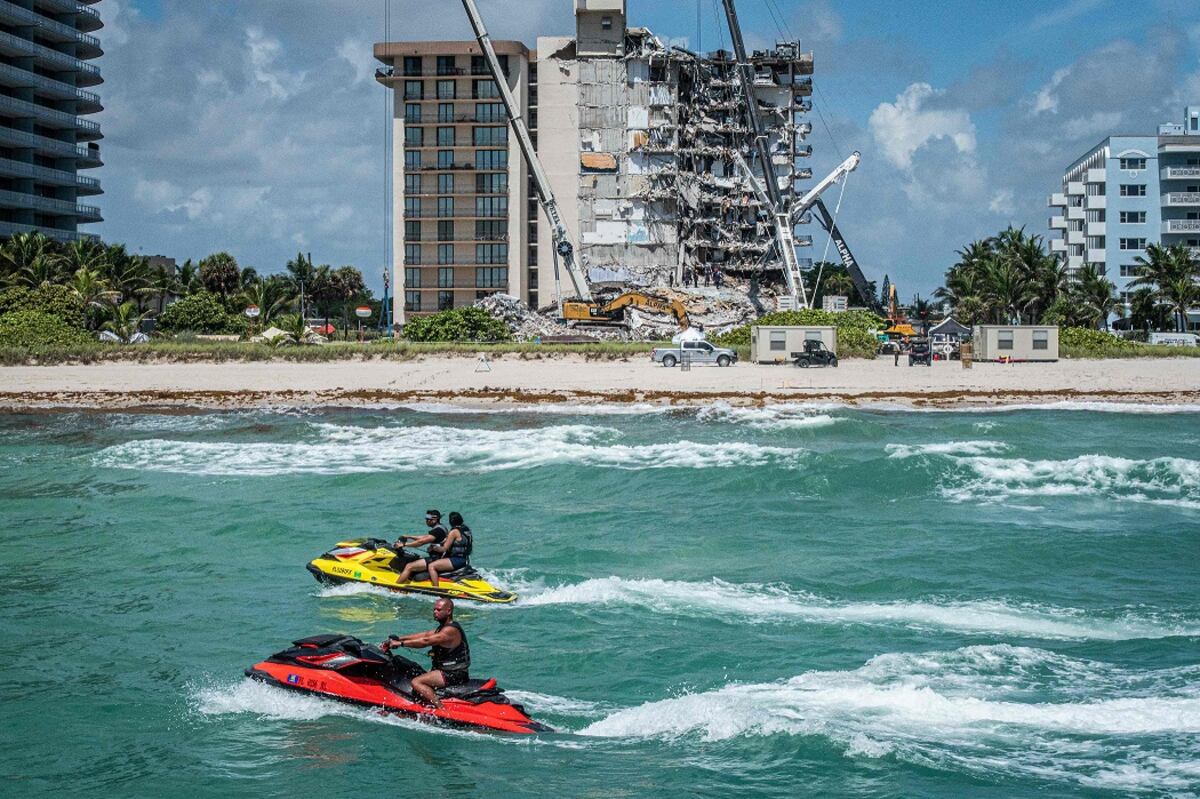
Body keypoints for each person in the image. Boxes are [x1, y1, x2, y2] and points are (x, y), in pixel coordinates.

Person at [381, 598, 469, 708]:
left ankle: (441, 709)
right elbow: (425, 635)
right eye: (434, 609)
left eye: (438, 610)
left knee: (417, 682)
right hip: (444, 670)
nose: (435, 612)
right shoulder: (443, 628)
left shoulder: (450, 630)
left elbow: (425, 641)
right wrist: (399, 638)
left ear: (449, 611)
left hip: (453, 673)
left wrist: (400, 644)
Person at [394, 510, 448, 584]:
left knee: (409, 566)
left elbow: (421, 542)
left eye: (428, 519)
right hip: (439, 557)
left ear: (434, 520)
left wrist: (404, 544)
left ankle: (396, 587)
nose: (426, 521)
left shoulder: (437, 531)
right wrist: (409, 536)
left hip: (436, 559)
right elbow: (424, 537)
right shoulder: (441, 527)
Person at [424, 511, 473, 587]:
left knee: (431, 566)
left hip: (456, 560)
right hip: (464, 559)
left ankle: (436, 588)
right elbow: (450, 540)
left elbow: (444, 549)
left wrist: (433, 548)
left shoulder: (454, 532)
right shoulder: (465, 529)